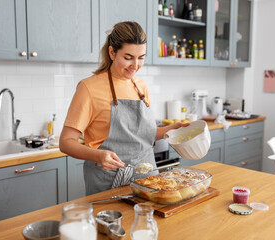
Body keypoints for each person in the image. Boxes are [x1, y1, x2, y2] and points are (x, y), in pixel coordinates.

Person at [59, 21, 189, 195]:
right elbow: (66, 142)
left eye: (141, 57)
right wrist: (98, 156)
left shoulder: (141, 86)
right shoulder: (89, 88)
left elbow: (141, 134)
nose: (135, 65)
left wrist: (169, 131)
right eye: (128, 57)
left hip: (148, 179)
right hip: (108, 181)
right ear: (112, 52)